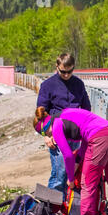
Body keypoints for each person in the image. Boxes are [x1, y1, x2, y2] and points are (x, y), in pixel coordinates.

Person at [33, 106, 108, 215]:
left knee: (87, 183)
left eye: (44, 134)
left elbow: (67, 156)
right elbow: (85, 141)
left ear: (44, 129)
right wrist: (78, 162)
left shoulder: (56, 124)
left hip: (99, 139)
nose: (49, 136)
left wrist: (71, 179)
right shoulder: (67, 114)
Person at [37, 53, 91, 194]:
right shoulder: (47, 85)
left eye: (70, 71)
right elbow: (41, 112)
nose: (66, 75)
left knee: (72, 172)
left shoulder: (79, 84)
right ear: (57, 67)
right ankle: (51, 209)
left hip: (75, 134)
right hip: (56, 133)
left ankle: (69, 208)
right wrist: (46, 135)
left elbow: (86, 109)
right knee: (59, 174)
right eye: (63, 72)